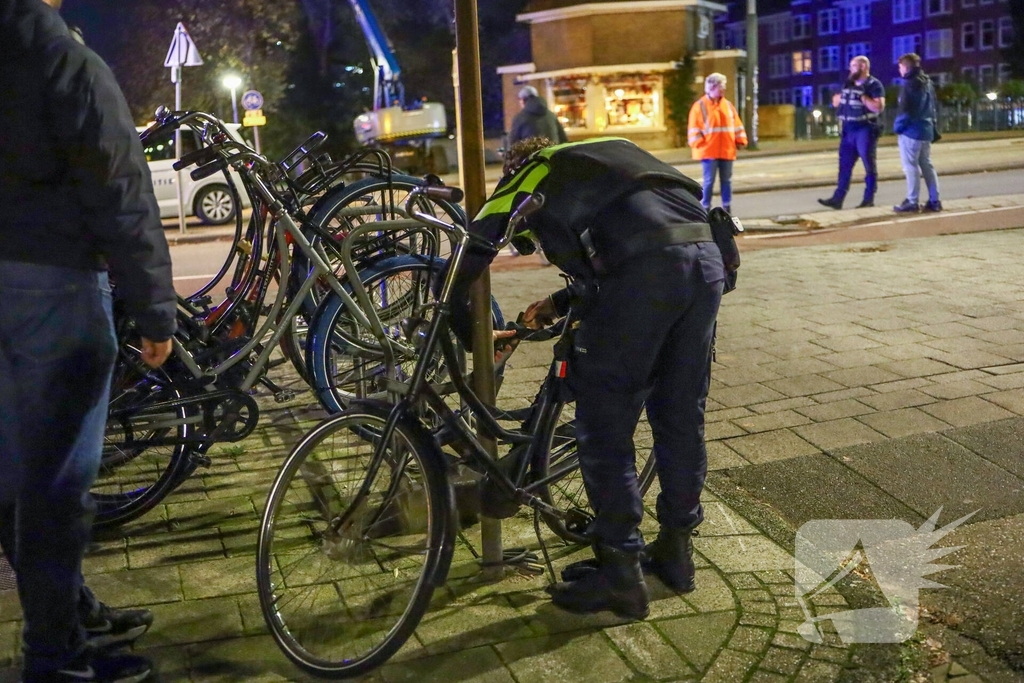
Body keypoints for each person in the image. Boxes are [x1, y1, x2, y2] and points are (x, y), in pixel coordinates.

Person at [453, 136, 727, 620]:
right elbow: (624, 240)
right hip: (705, 264)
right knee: (680, 416)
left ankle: (620, 574)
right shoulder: (607, 157)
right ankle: (676, 554)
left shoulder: (532, 170)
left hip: (646, 276)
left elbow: (472, 249)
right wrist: (558, 303)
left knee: (603, 429)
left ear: (514, 166)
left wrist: (464, 327)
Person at [0, 0, 177, 681]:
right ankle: (56, 657)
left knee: (15, 472)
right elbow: (117, 184)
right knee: (56, 482)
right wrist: (154, 309)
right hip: (53, 285)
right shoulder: (62, 58)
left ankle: (68, 614)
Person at [818, 56, 886, 210]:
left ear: (863, 67)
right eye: (851, 66)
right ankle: (838, 199)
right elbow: (835, 102)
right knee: (844, 166)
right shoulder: (847, 83)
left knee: (868, 164)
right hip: (848, 129)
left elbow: (878, 107)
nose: (851, 69)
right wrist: (841, 96)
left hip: (865, 128)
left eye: (854, 66)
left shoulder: (874, 84)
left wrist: (862, 96)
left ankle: (868, 199)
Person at [687, 73, 747, 214]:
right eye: (720, 87)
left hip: (726, 150)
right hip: (709, 151)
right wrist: (701, 143)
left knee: (726, 181)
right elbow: (694, 128)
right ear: (711, 88)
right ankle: (705, 208)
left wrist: (740, 140)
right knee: (709, 182)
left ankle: (727, 207)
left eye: (723, 87)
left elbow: (736, 125)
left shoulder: (727, 105)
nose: (722, 90)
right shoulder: (700, 106)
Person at [893, 53, 942, 213]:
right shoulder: (927, 82)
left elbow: (906, 111)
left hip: (911, 131)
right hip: (926, 130)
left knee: (910, 167)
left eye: (900, 67)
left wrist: (897, 127)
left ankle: (912, 201)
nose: (899, 70)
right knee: (927, 165)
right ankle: (935, 200)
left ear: (906, 67)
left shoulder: (909, 83)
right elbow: (932, 106)